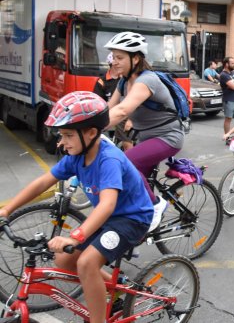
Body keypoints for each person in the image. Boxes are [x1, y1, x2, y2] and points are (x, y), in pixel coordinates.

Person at [0, 91, 153, 323]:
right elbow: (42, 183)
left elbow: (107, 205)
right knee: (64, 260)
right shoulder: (76, 155)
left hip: (131, 220)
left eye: (68, 135)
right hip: (109, 219)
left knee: (86, 262)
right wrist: (6, 210)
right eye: (61, 135)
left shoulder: (108, 159)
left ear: (91, 133)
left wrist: (75, 236)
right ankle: (116, 285)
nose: (62, 142)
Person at [104, 31, 180, 221]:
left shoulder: (147, 80)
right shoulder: (123, 82)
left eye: (120, 57)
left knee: (125, 164)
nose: (114, 62)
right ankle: (132, 243)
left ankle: (156, 205)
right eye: (113, 57)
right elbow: (108, 109)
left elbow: (122, 110)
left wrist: (91, 128)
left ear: (135, 58)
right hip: (145, 138)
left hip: (167, 137)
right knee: (128, 188)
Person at [93, 53, 133, 151]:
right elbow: (98, 102)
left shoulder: (126, 80)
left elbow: (134, 101)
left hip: (128, 113)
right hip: (113, 113)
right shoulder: (102, 81)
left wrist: (131, 119)